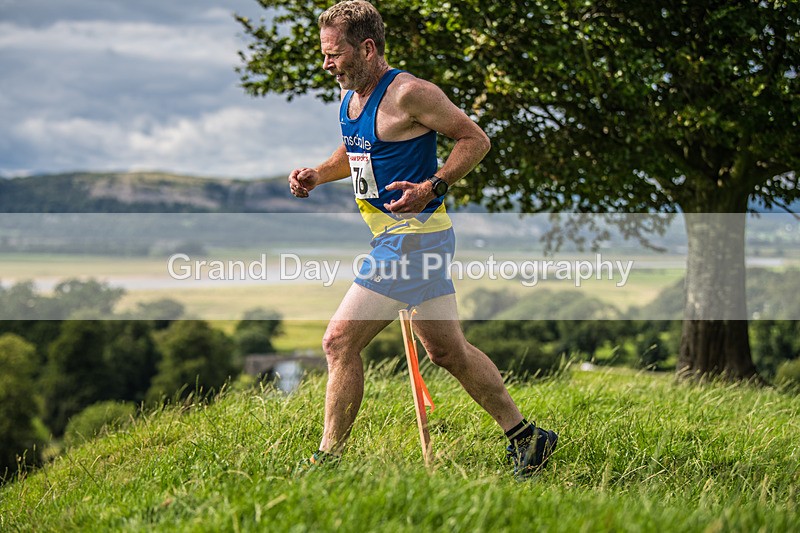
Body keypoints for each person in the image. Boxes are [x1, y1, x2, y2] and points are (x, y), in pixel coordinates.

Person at [288, 0, 557, 478]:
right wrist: (316, 175)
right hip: (402, 240)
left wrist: (434, 185)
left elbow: (475, 139)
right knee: (448, 351)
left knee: (338, 340)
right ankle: (527, 437)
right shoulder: (351, 99)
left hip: (413, 240)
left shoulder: (411, 93)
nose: (326, 64)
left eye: (334, 54)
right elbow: (353, 153)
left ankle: (327, 461)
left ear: (367, 48)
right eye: (324, 54)